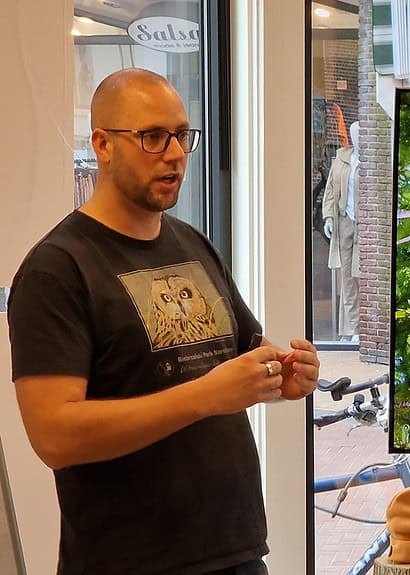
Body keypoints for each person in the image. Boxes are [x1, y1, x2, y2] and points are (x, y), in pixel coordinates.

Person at [7, 68, 320, 575]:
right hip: (129, 561)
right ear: (103, 145)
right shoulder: (57, 269)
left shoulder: (191, 243)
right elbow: (54, 435)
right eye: (152, 137)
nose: (175, 153)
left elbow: (243, 352)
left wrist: (287, 371)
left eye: (181, 135)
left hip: (236, 551)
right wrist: (203, 397)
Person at [321, 122, 360, 343]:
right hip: (344, 223)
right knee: (346, 278)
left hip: (365, 226)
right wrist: (328, 217)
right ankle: (351, 328)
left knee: (361, 275)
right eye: (355, 136)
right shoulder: (342, 160)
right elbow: (330, 191)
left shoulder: (372, 162)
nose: (358, 140)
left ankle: (362, 328)